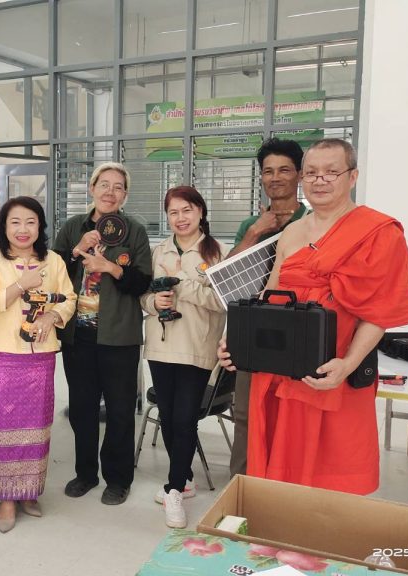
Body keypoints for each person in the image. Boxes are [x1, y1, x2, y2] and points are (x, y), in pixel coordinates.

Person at [218, 138, 408, 495]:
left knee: (333, 466)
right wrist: (236, 339)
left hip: (336, 368)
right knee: (281, 463)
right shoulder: (293, 232)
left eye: (331, 172)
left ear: (352, 176)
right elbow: (269, 295)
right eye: (312, 173)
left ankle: (323, 524)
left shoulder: (378, 232)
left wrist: (347, 364)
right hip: (282, 367)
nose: (320, 180)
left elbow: (379, 312)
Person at [52, 162, 152, 505]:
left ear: (125, 195)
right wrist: (77, 249)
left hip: (119, 336)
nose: (110, 192)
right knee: (82, 409)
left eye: (118, 186)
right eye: (104, 184)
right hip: (77, 336)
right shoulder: (72, 227)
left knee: (121, 411)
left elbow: (143, 282)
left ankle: (118, 479)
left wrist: (110, 267)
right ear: (92, 188)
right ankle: (85, 473)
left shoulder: (135, 231)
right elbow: (52, 272)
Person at [0, 196, 76, 533]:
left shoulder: (54, 261)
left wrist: (52, 315)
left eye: (31, 222)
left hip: (39, 356)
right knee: (2, 428)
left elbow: (69, 298)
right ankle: (6, 498)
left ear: (40, 227)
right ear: (3, 226)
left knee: (37, 427)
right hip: (0, 356)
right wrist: (21, 285)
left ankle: (29, 490)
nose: (23, 229)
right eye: (15, 222)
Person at [140, 186, 227, 529]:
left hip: (196, 346)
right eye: (173, 212)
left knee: (185, 418)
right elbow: (142, 296)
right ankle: (184, 480)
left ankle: (173, 489)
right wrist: (153, 302)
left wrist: (181, 286)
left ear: (201, 212)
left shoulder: (218, 252)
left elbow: (221, 301)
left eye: (187, 210)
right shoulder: (158, 250)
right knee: (168, 415)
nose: (180, 218)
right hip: (161, 345)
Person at [228, 138, 308, 477]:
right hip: (254, 330)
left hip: (299, 330)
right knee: (246, 413)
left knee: (294, 416)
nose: (275, 178)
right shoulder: (251, 224)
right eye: (268, 171)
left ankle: (285, 489)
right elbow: (227, 275)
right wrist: (254, 233)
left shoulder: (313, 220)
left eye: (284, 170)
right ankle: (241, 488)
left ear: (300, 174)